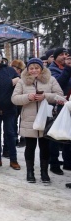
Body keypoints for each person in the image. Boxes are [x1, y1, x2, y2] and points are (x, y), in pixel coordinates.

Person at [11, 58, 63, 183]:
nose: (34, 70)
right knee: (30, 147)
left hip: (46, 118)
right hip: (29, 120)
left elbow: (59, 95)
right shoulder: (22, 82)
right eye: (31, 68)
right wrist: (27, 97)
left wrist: (45, 96)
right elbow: (14, 98)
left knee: (45, 147)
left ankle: (44, 173)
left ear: (41, 69)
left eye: (37, 68)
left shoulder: (51, 80)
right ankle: (30, 172)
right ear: (28, 70)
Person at [48, 47, 70, 175]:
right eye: (61, 54)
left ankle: (67, 162)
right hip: (57, 106)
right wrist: (67, 69)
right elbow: (59, 85)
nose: (64, 56)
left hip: (68, 106)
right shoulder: (52, 69)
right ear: (55, 57)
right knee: (55, 136)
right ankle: (54, 162)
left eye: (66, 54)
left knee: (67, 135)